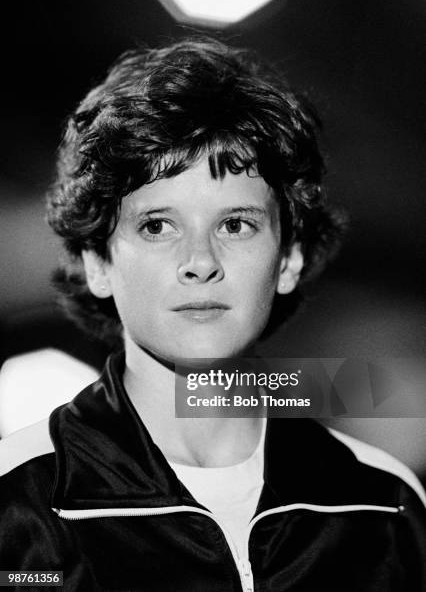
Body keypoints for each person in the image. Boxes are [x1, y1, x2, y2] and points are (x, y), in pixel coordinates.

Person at [0, 37, 425, 592]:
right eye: (157, 225)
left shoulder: (384, 506)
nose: (199, 262)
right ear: (97, 262)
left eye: (235, 225)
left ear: (288, 260)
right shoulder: (19, 504)